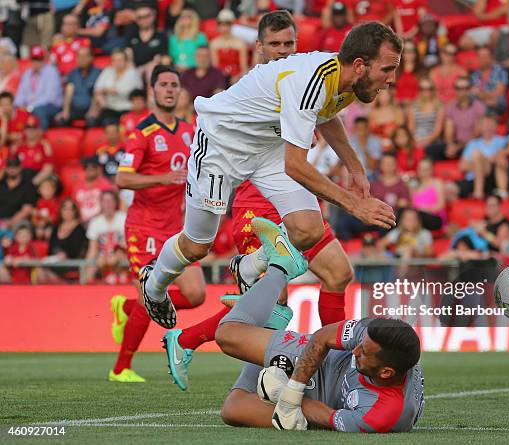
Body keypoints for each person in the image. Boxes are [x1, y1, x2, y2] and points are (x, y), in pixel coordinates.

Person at [139, 22, 400, 328]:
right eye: (388, 69)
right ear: (360, 65)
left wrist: (355, 168)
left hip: (267, 149)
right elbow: (296, 165)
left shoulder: (348, 80)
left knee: (308, 229)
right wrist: (355, 205)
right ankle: (153, 284)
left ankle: (248, 268)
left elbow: (327, 115)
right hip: (220, 146)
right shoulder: (312, 80)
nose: (391, 79)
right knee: (197, 245)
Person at [159, 13, 355, 371]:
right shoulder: (247, 88)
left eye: (289, 44)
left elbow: (325, 118)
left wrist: (356, 169)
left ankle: (335, 368)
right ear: (258, 47)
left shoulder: (304, 82)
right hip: (254, 197)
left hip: (292, 191)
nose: (282, 52)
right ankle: (250, 273)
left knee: (338, 273)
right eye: (275, 45)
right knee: (273, 303)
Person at [165, 218, 425, 432]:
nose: (356, 351)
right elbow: (323, 337)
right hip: (321, 357)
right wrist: (292, 390)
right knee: (228, 335)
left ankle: (271, 320)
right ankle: (281, 265)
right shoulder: (381, 334)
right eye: (360, 345)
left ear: (387, 373)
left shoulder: (384, 416)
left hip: (323, 399)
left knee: (233, 410)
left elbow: (325, 417)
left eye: (364, 353)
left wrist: (286, 399)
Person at [110, 64, 207, 383]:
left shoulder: (188, 130)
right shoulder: (142, 134)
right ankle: (120, 368)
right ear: (152, 91)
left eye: (174, 84)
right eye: (163, 84)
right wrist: (163, 177)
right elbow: (122, 179)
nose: (169, 89)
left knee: (196, 295)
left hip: (175, 228)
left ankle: (127, 308)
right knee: (147, 297)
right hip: (144, 227)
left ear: (180, 91)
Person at [458, 113, 507, 199]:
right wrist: (479, 164)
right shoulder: (473, 143)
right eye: (485, 124)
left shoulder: (502, 141)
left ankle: (478, 193)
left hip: (491, 178)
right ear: (480, 127)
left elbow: (500, 159)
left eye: (491, 124)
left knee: (477, 154)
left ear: (496, 126)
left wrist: (479, 160)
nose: (488, 127)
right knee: (449, 189)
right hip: (471, 179)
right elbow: (462, 166)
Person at [14, 46, 63, 131]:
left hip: (51, 106)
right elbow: (20, 93)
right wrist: (19, 105)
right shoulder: (27, 73)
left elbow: (49, 97)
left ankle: (40, 138)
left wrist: (30, 107)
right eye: (34, 59)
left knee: (39, 111)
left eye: (39, 59)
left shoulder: (51, 72)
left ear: (44, 59)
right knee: (13, 110)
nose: (36, 62)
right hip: (30, 106)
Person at [437, 76, 486, 161]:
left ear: (470, 89)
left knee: (472, 149)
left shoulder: (478, 106)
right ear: (455, 90)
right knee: (431, 150)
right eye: (459, 88)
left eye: (465, 88)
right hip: (457, 142)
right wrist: (451, 145)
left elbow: (477, 133)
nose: (462, 91)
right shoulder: (450, 107)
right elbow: (449, 132)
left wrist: (458, 147)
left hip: (473, 143)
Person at [84, 190, 127, 283]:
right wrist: (87, 272)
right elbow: (92, 250)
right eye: (105, 201)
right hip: (102, 262)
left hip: (122, 258)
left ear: (115, 203)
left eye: (110, 201)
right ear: (101, 203)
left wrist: (119, 255)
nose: (108, 204)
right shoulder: (95, 222)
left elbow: (129, 244)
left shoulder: (124, 219)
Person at [92, 48, 143, 125]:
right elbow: (97, 89)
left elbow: (123, 91)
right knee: (101, 122)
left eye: (120, 60)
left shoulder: (133, 73)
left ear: (126, 61)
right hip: (109, 107)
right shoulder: (107, 71)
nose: (117, 63)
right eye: (114, 60)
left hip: (128, 108)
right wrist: (107, 90)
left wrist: (106, 90)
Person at [56, 46, 101, 127]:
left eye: (85, 56)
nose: (81, 59)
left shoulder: (98, 73)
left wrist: (92, 110)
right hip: (75, 108)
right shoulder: (73, 73)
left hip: (91, 108)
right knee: (61, 120)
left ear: (91, 58)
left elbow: (98, 93)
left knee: (92, 121)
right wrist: (65, 111)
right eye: (79, 56)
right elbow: (68, 92)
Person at [13, 114, 54, 186]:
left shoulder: (44, 146)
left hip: (37, 180)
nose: (30, 131)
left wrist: (32, 184)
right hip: (21, 179)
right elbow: (12, 168)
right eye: (27, 128)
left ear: (38, 130)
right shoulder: (19, 146)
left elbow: (48, 169)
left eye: (33, 128)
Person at [209, 9, 249, 83]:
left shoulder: (240, 43)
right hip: (220, 78)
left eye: (227, 25)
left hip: (237, 78)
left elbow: (244, 68)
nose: (225, 28)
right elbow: (215, 67)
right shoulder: (214, 44)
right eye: (222, 25)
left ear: (232, 25)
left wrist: (237, 77)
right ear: (218, 26)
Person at [125, 5, 168, 72]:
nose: (143, 19)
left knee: (152, 68)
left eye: (147, 16)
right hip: (133, 69)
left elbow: (158, 58)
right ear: (136, 19)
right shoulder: (131, 35)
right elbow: (128, 54)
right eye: (140, 17)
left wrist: (142, 69)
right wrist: (133, 70)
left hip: (152, 70)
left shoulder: (161, 36)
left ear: (153, 16)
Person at [406, 77, 444, 150]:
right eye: (423, 89)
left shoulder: (439, 107)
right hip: (416, 139)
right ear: (419, 90)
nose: (426, 91)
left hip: (432, 141)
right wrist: (414, 140)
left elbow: (437, 131)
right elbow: (411, 128)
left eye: (429, 88)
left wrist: (426, 141)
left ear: (433, 90)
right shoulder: (413, 107)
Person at [0, 157, 38, 229]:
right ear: (5, 168)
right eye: (9, 167)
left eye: (15, 167)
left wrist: (9, 223)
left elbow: (26, 210)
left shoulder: (28, 186)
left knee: (23, 228)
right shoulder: (1, 182)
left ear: (20, 167)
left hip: (17, 221)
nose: (12, 170)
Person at [470, 45, 508, 114]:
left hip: (497, 105)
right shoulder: (474, 75)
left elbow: (499, 92)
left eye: (485, 56)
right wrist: (487, 99)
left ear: (491, 57)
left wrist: (481, 95)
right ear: (477, 58)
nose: (483, 59)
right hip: (481, 104)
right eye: (480, 56)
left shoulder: (500, 70)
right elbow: (473, 93)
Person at [411, 157, 446, 231]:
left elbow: (441, 205)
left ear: (432, 170)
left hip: (434, 217)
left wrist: (425, 209)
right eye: (421, 168)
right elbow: (411, 204)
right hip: (417, 217)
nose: (423, 171)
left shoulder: (437, 182)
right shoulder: (414, 184)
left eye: (426, 169)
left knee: (415, 216)